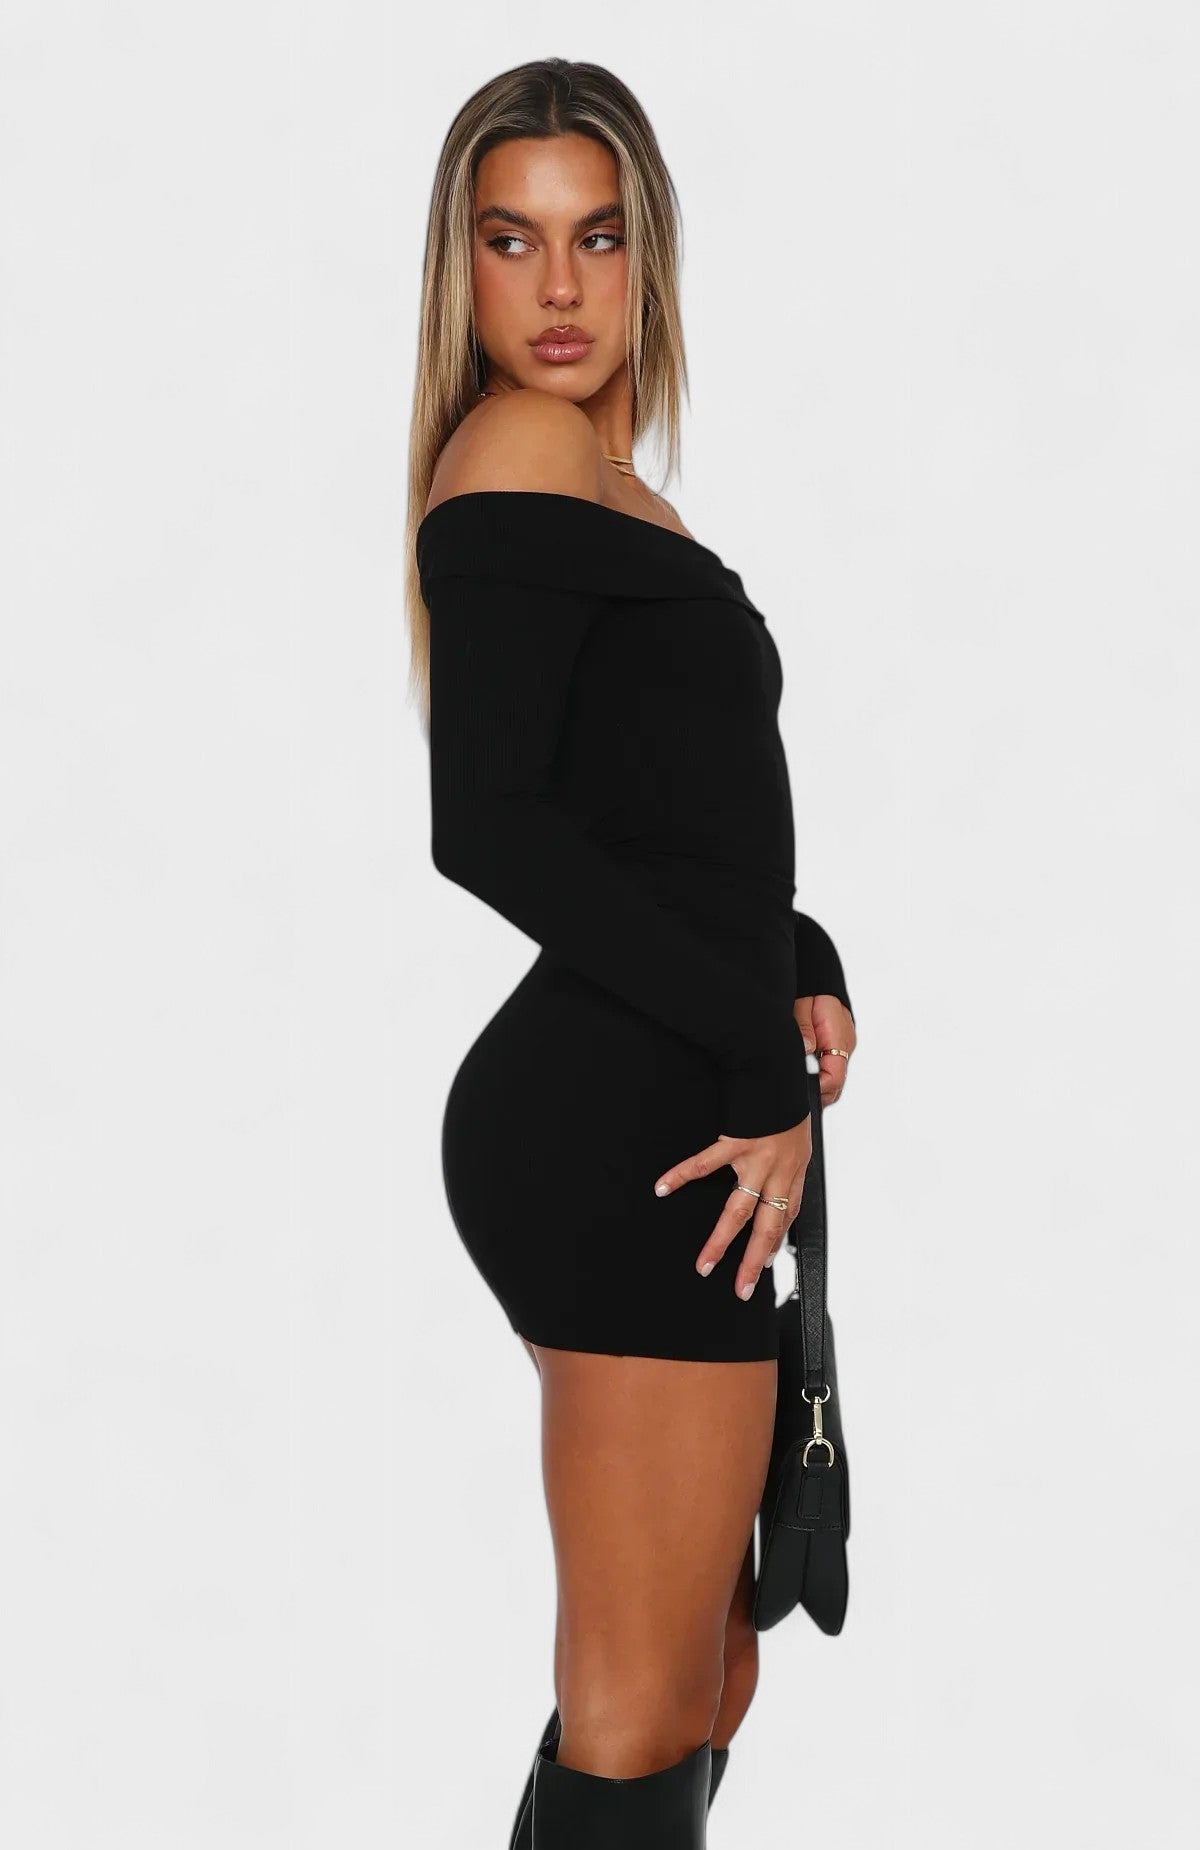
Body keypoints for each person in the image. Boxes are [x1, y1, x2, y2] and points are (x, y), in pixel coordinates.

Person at [406, 57, 858, 1847]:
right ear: (461, 267)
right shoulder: (517, 447)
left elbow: (656, 816)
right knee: (639, 1697)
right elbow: (489, 822)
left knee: (703, 1675)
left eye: (597, 237)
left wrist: (795, 947)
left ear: (647, 257)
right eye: (511, 239)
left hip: (675, 1099)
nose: (560, 286)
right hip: (622, 1129)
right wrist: (752, 1056)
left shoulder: (618, 487)